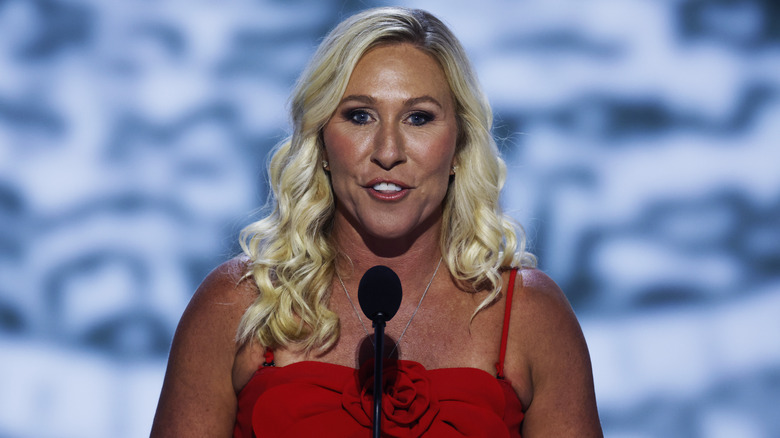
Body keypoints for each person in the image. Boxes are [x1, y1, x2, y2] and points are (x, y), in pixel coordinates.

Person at [151, 7, 602, 438]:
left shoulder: (529, 314)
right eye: (360, 115)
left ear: (459, 149)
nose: (388, 151)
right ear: (322, 143)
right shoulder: (236, 305)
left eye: (419, 118)